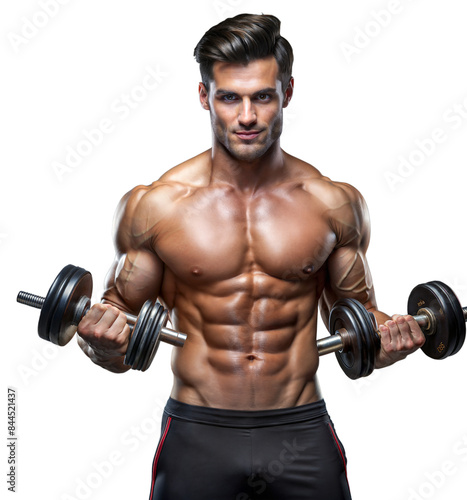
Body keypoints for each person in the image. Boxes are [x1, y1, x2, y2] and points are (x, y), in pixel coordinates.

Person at [77, 13, 425, 500]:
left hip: (301, 431)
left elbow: (360, 327)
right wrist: (101, 341)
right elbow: (116, 330)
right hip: (198, 432)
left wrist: (395, 338)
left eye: (262, 96)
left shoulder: (333, 204)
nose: (246, 117)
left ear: (287, 91)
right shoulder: (155, 206)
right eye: (229, 97)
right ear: (205, 98)